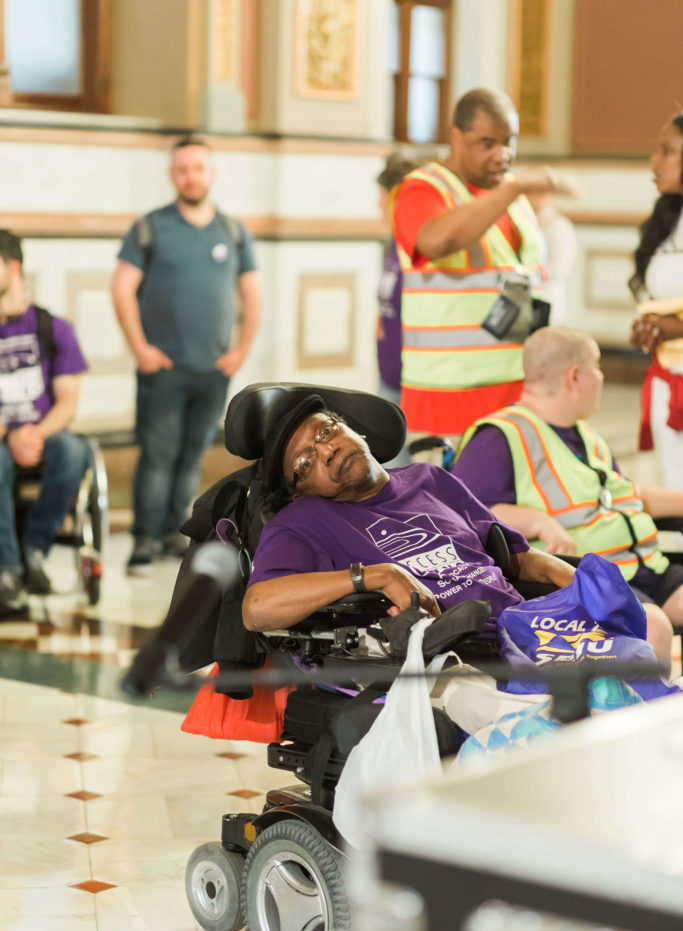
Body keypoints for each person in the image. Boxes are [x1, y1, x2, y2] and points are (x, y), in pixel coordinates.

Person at [241, 391, 575, 640]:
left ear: (355, 431)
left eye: (327, 432)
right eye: (305, 463)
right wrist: (377, 575)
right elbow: (257, 608)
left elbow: (519, 558)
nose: (327, 452)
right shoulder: (303, 520)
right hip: (449, 656)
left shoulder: (430, 479)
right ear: (301, 491)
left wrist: (584, 581)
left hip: (530, 625)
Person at [454, 326, 683, 666]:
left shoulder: (584, 435)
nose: (602, 377)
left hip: (645, 567)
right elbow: (462, 515)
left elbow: (623, 495)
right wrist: (538, 521)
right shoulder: (498, 437)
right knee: (654, 630)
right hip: (586, 582)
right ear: (575, 376)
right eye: (598, 366)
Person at [111, 134, 261, 575]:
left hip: (212, 370)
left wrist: (241, 351)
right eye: (182, 169)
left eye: (198, 168)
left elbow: (251, 295)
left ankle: (176, 535)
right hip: (162, 369)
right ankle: (144, 540)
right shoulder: (150, 227)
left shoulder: (232, 232)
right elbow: (122, 289)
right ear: (171, 175)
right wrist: (139, 348)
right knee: (157, 454)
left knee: (192, 454)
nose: (190, 177)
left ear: (211, 173)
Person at [392, 86, 576, 442]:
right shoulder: (423, 188)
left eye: (509, 142)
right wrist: (511, 190)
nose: (502, 155)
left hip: (519, 392)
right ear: (456, 137)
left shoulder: (512, 194)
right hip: (448, 399)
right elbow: (437, 240)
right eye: (487, 143)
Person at [0, 229, 89, 610]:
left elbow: (68, 401)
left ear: (13, 267)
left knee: (73, 451)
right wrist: (11, 436)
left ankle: (35, 548)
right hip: (2, 437)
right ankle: (7, 567)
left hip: (44, 430)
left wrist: (34, 432)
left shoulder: (54, 328)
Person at [630, 112, 683, 490]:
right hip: (668, 374)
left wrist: (675, 327)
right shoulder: (670, 217)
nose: (655, 160)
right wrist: (649, 326)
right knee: (674, 483)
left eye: (667, 151)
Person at [376, 154, 418, 409]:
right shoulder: (395, 243)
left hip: (410, 381)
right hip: (389, 372)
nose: (378, 205)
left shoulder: (420, 247)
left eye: (382, 197)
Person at [527, 189, 578, 325]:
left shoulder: (558, 226)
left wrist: (527, 271)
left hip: (548, 298)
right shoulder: (526, 220)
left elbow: (560, 268)